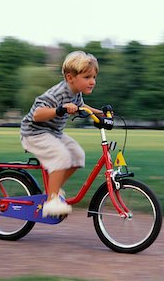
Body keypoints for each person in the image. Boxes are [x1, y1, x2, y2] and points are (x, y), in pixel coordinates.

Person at [20, 51, 102, 217]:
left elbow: (83, 108)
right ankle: (51, 201)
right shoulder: (57, 93)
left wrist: (102, 113)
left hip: (53, 133)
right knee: (62, 156)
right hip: (34, 133)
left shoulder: (75, 93)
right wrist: (59, 109)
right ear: (70, 77)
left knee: (78, 155)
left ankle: (52, 190)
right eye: (87, 77)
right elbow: (37, 114)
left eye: (94, 77)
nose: (92, 82)